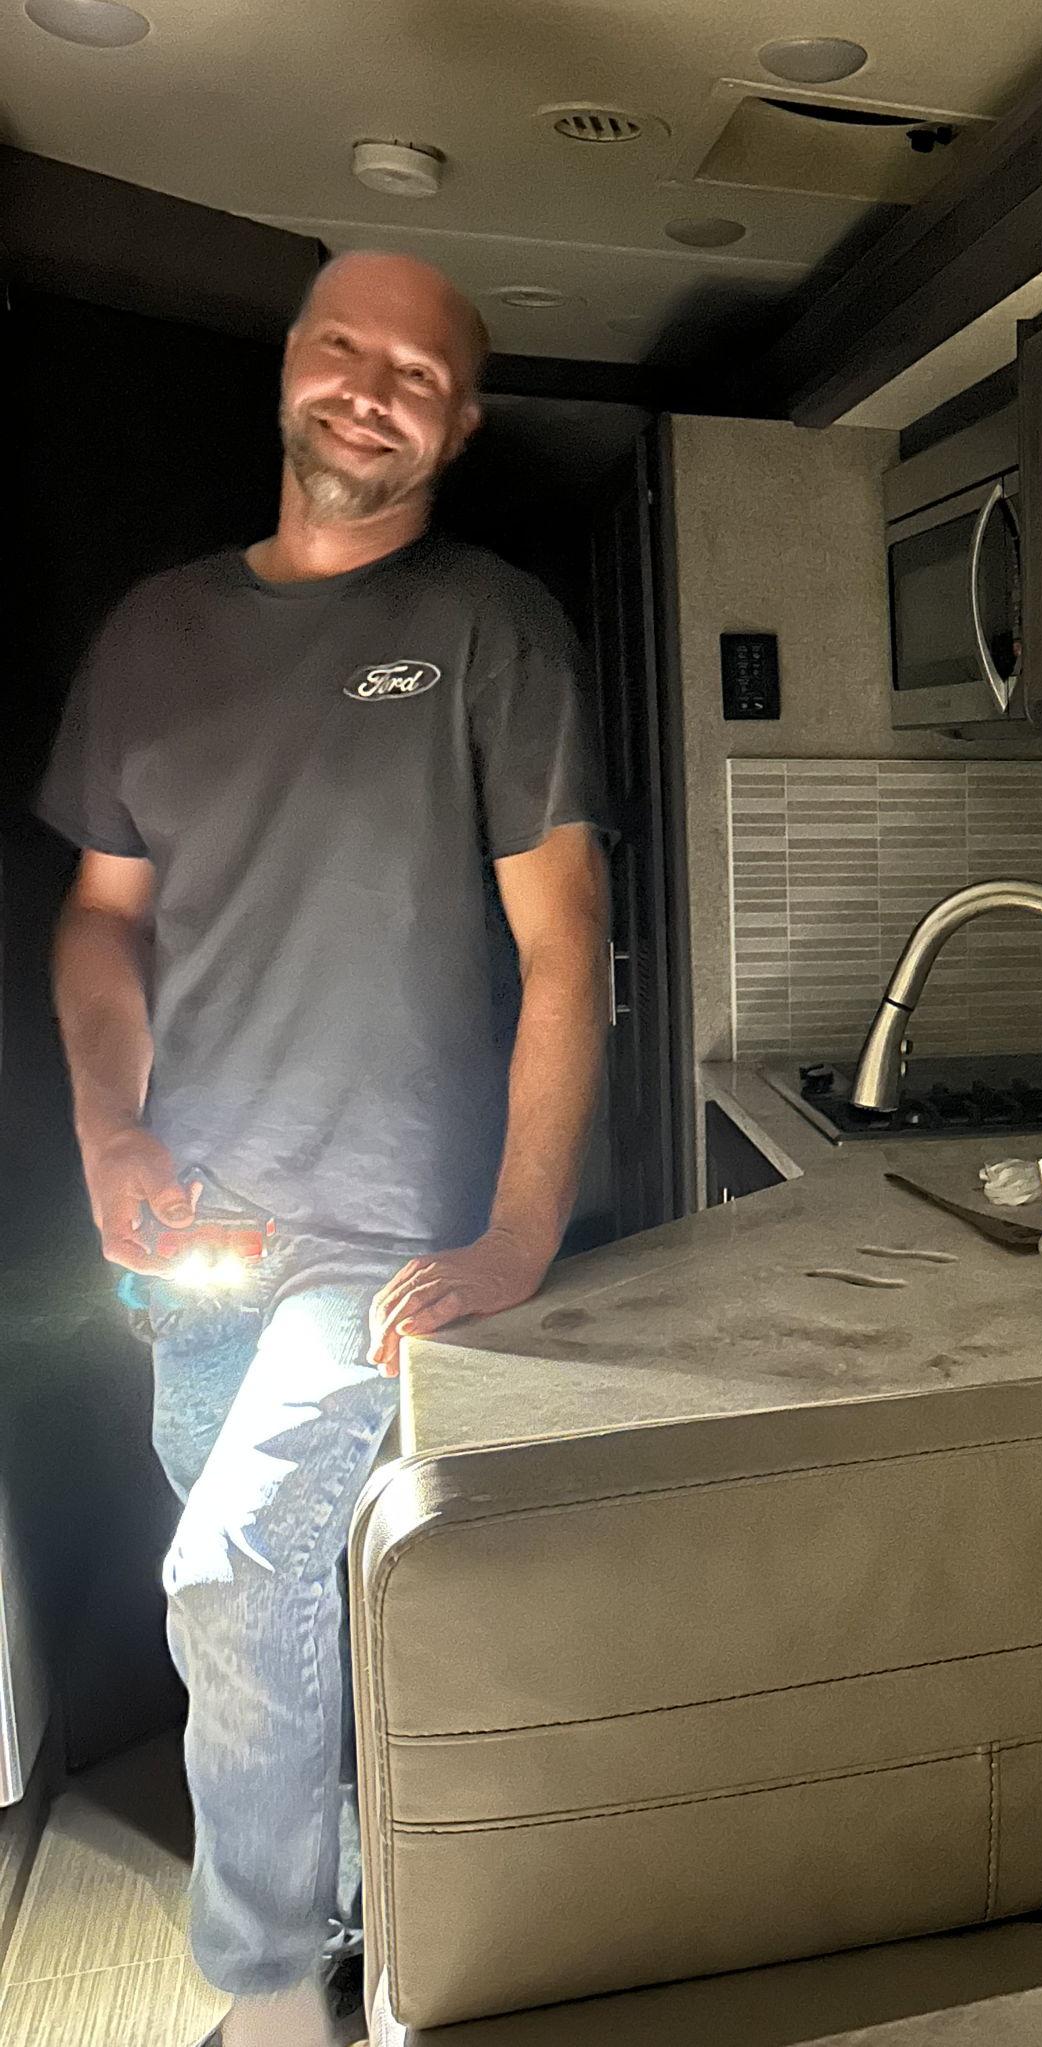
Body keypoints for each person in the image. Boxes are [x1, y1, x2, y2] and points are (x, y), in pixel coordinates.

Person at [36, 250, 611, 2047]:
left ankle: (276, 2002)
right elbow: (101, 919)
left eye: (419, 372)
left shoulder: (491, 626)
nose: (373, 388)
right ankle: (364, 1915)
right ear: (291, 365)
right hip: (193, 1240)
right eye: (347, 348)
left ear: (463, 420)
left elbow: (566, 943)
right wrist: (109, 1132)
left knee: (234, 1576)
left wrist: (520, 1230)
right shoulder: (152, 636)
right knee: (272, 1621)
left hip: (382, 1240)